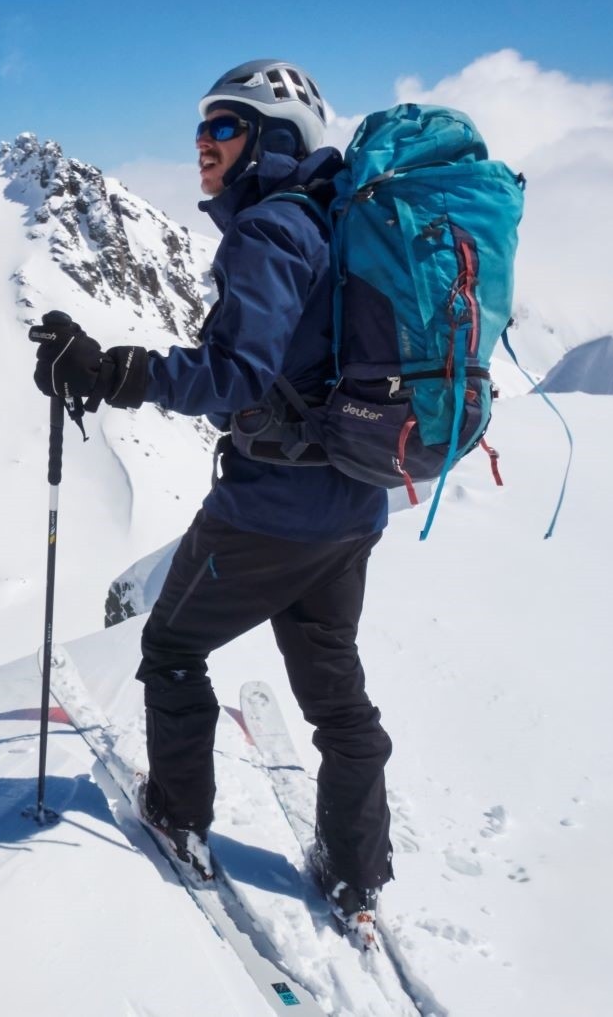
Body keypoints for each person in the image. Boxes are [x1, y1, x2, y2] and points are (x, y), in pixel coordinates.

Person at [29, 59, 393, 930]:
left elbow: (234, 375)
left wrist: (115, 370)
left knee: (170, 649)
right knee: (337, 696)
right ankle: (357, 872)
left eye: (224, 126)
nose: (202, 142)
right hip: (353, 505)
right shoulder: (339, 219)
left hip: (269, 511)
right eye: (202, 126)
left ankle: (178, 815)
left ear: (273, 141)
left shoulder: (270, 229)